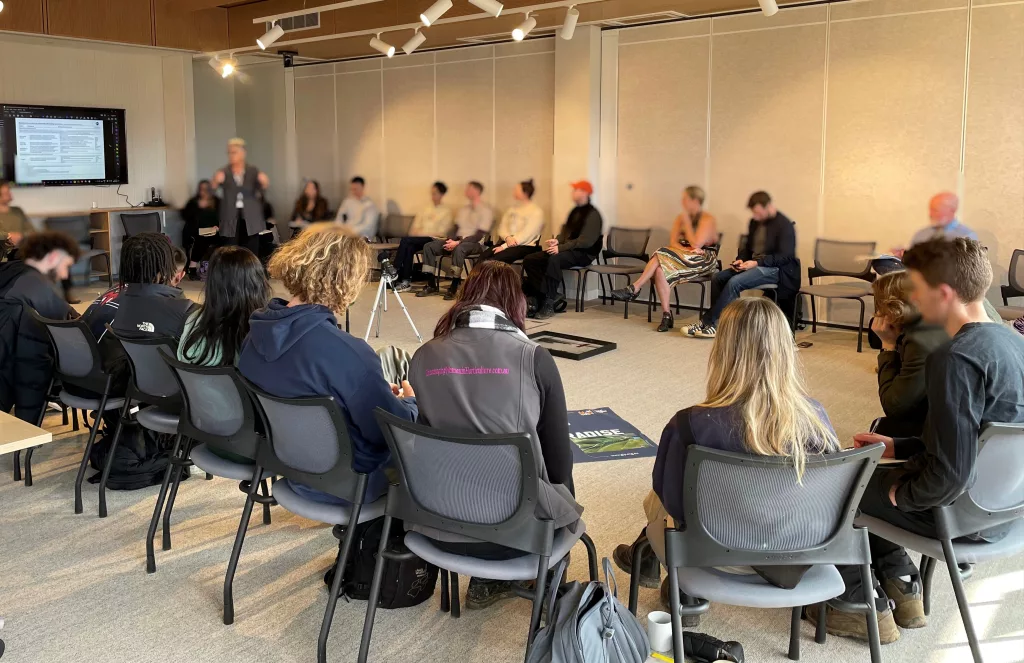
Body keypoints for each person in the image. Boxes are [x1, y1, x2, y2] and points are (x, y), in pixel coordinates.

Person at [820, 238, 1024, 642]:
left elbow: (951, 473)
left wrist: (903, 497)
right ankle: (901, 581)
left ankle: (858, 606)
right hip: (1007, 511)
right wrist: (901, 448)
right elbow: (984, 439)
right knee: (873, 469)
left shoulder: (954, 358)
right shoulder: (1012, 344)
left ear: (943, 294)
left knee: (836, 486)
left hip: (959, 516)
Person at [611, 297, 841, 622]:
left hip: (714, 554)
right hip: (796, 548)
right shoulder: (816, 416)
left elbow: (674, 504)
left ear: (723, 351)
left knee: (658, 499)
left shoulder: (689, 424)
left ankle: (678, 587)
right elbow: (827, 497)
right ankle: (660, 570)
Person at [409, 260, 581, 609]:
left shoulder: (424, 356)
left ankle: (486, 580)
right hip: (519, 535)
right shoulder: (534, 358)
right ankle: (540, 581)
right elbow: (560, 465)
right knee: (560, 485)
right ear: (515, 301)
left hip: (438, 523)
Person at [238, 224, 416, 505]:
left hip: (291, 468)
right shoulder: (349, 354)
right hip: (352, 483)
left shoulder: (255, 333)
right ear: (349, 280)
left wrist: (372, 393)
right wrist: (410, 405)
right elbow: (394, 434)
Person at [688, 191, 797, 339]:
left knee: (734, 282)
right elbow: (747, 248)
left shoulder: (784, 225)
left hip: (776, 270)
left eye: (758, 213)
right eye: (754, 213)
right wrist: (741, 260)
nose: (756, 216)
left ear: (768, 207)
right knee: (718, 278)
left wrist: (756, 262)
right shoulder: (755, 223)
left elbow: (785, 257)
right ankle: (722, 323)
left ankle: (709, 322)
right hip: (755, 265)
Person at [611, 186, 718, 332]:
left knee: (661, 253)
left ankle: (635, 288)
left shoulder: (707, 219)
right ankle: (667, 315)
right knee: (660, 269)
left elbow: (697, 243)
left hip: (703, 259)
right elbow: (673, 241)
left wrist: (686, 223)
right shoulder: (680, 217)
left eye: (685, 199)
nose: (682, 202)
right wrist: (684, 250)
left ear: (695, 201)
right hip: (681, 254)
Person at [0, 231, 79, 423]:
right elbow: (69, 325)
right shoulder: (39, 286)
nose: (66, 274)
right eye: (66, 266)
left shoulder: (10, 271)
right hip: (19, 367)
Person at [869, 271, 949, 438]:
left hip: (944, 432)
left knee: (881, 429)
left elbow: (894, 406)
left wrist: (888, 346)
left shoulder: (920, 340)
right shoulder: (937, 320)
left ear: (891, 308)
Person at [522, 181, 603, 320]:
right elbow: (566, 231)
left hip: (585, 253)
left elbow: (585, 242)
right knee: (530, 259)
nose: (573, 193)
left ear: (585, 193)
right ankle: (545, 294)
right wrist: (558, 240)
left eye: (576, 190)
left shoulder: (593, 215)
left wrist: (560, 247)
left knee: (555, 259)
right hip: (568, 248)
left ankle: (548, 302)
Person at [418, 180, 494, 300]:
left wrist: (457, 243)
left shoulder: (486, 210)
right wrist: (450, 240)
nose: (466, 191)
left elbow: (478, 236)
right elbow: (456, 228)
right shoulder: (464, 210)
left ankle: (454, 286)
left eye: (469, 189)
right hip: (457, 241)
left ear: (477, 191)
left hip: (474, 244)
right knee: (429, 246)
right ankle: (431, 284)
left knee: (459, 248)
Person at [211, 138, 270, 255]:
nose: (231, 155)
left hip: (250, 217)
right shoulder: (224, 172)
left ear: (243, 153)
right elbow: (211, 191)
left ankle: (250, 273)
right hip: (230, 217)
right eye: (229, 153)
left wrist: (264, 182)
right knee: (230, 251)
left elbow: (262, 190)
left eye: (234, 152)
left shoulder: (253, 171)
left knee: (250, 251)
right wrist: (215, 181)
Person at [393, 182, 453, 292]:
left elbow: (441, 232)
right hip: (420, 238)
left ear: (441, 194)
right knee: (409, 246)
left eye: (435, 193)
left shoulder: (446, 211)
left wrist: (424, 232)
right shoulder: (426, 208)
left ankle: (395, 268)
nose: (433, 196)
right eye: (432, 193)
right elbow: (415, 226)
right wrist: (418, 232)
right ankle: (406, 281)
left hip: (435, 239)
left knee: (406, 241)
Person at [476, 179, 544, 265]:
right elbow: (502, 228)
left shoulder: (536, 211)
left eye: (516, 190)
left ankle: (495, 279)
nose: (514, 192)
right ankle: (478, 278)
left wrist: (504, 246)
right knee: (484, 256)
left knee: (497, 259)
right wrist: (507, 238)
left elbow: (527, 235)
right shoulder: (512, 209)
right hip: (507, 242)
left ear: (525, 193)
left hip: (525, 246)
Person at [891, 192, 977, 259]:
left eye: (935, 210)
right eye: (930, 209)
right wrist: (903, 257)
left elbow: (968, 271)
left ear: (952, 210)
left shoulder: (967, 237)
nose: (930, 214)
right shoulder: (921, 234)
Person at [180, 179, 221, 272]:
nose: (204, 192)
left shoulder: (217, 201)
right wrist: (197, 207)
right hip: (198, 230)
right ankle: (192, 266)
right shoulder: (194, 201)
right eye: (201, 189)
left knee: (227, 237)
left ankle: (221, 265)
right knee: (202, 238)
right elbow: (186, 216)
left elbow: (224, 216)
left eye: (206, 189)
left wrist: (218, 226)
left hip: (215, 230)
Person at [0, 180, 30, 260]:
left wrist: (21, 236)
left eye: (9, 191)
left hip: (22, 251)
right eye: (6, 193)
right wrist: (7, 237)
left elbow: (32, 232)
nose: (10, 194)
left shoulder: (17, 211)